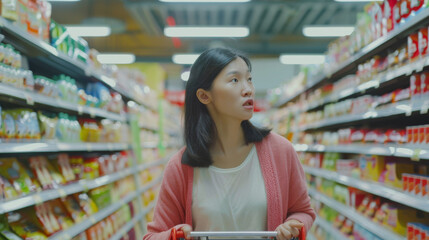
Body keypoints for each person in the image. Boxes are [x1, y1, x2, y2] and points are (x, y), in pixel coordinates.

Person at [143, 47, 315, 240]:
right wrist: (173, 236)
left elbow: (303, 211)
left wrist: (294, 226)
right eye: (235, 80)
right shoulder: (181, 166)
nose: (248, 89)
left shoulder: (281, 151)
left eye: (249, 79)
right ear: (204, 96)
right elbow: (153, 236)